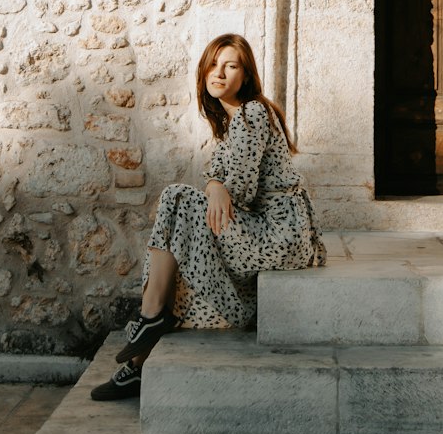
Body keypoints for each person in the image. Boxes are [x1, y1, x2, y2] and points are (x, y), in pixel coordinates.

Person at [91, 33, 326, 401]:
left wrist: (216, 186)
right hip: (260, 231)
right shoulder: (228, 127)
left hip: (280, 234)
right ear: (203, 73)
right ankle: (140, 356)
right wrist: (216, 183)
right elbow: (222, 183)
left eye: (231, 66)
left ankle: (147, 323)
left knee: (176, 201)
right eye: (213, 66)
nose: (220, 73)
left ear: (245, 77)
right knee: (178, 226)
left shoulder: (253, 113)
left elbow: (242, 193)